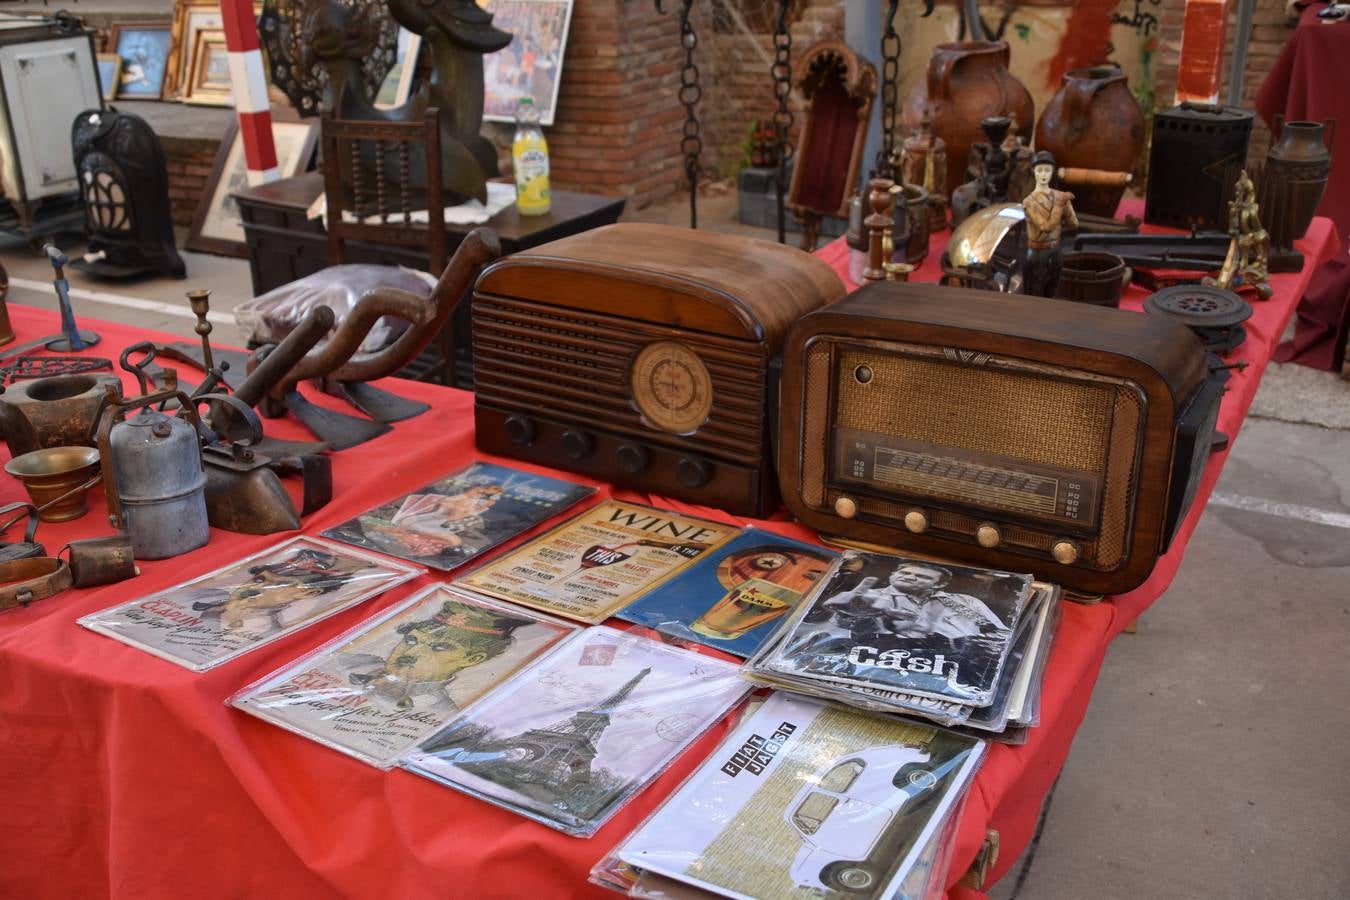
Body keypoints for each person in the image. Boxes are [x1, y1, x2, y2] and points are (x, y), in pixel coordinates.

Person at [820, 562, 1008, 643]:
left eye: (921, 576)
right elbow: (833, 632)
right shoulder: (868, 598)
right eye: (904, 573)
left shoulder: (965, 602)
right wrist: (848, 614)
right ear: (893, 576)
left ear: (940, 583)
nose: (910, 577)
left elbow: (999, 634)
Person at [1021, 150, 1078, 297]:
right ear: (1033, 172)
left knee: (1053, 290)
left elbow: (1074, 224)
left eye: (1047, 170)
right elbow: (1045, 227)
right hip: (1037, 254)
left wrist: (1068, 208)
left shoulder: (1060, 196)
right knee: (1035, 292)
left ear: (1053, 172)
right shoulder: (1029, 202)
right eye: (1039, 170)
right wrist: (1060, 205)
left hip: (1056, 251)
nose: (1043, 174)